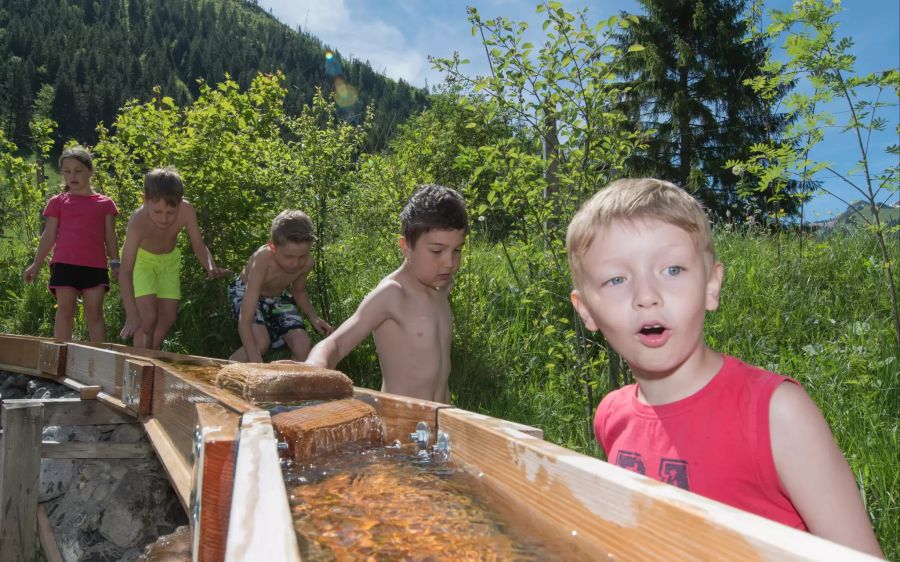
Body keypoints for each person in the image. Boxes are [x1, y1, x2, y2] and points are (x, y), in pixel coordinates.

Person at [566, 178, 883, 556]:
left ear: (711, 287)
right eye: (617, 279)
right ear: (586, 309)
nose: (646, 296)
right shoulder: (611, 415)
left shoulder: (776, 413)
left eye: (672, 270)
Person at [301, 184, 469, 404]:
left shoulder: (440, 288)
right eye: (437, 251)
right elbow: (336, 343)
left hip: (441, 422)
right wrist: (313, 369)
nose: (449, 262)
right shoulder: (392, 294)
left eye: (457, 249)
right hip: (402, 425)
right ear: (406, 247)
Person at [119, 166, 228, 349]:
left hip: (169, 262)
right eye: (158, 212)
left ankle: (150, 354)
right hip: (142, 262)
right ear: (144, 200)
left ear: (180, 201)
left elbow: (199, 245)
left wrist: (210, 266)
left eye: (171, 212)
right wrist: (131, 314)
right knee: (148, 318)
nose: (164, 219)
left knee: (169, 317)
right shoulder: (138, 221)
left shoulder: (187, 210)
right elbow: (125, 270)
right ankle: (139, 361)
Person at [23, 146, 120, 343]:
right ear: (62, 173)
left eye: (78, 170)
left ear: (90, 171)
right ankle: (60, 358)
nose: (72, 175)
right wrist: (36, 264)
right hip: (64, 265)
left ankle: (99, 360)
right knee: (65, 311)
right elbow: (48, 236)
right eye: (67, 171)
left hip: (95, 267)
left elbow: (110, 236)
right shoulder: (57, 202)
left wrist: (116, 263)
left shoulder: (105, 203)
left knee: (94, 314)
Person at [228, 210, 333, 363]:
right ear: (272, 246)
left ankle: (289, 385)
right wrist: (256, 362)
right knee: (260, 342)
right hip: (246, 292)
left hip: (277, 297)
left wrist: (314, 317)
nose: (295, 263)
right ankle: (226, 372)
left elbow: (299, 291)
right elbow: (245, 320)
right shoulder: (263, 259)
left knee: (303, 346)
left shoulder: (308, 263)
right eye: (289, 256)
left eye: (302, 256)